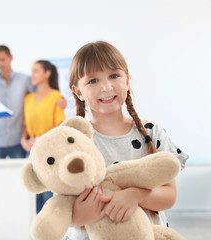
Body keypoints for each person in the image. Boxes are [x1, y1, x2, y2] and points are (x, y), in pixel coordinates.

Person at [63, 41, 188, 239]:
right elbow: (64, 212)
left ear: (127, 81)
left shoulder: (151, 131)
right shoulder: (72, 140)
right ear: (78, 91)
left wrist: (136, 195)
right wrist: (89, 210)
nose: (106, 87)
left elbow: (169, 196)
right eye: (93, 81)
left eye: (114, 76)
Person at [0, 45, 66, 159]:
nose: (0, 64)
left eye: (3, 59)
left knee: (21, 174)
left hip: (18, 144)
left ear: (11, 57)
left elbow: (45, 94)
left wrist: (63, 100)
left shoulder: (25, 80)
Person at [21, 60, 66, 213]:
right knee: (30, 197)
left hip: (49, 151)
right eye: (31, 71)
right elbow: (25, 124)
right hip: (30, 151)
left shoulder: (56, 97)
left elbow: (59, 125)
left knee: (47, 194)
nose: (32, 75)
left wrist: (41, 139)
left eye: (36, 71)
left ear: (47, 74)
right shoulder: (28, 98)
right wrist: (23, 140)